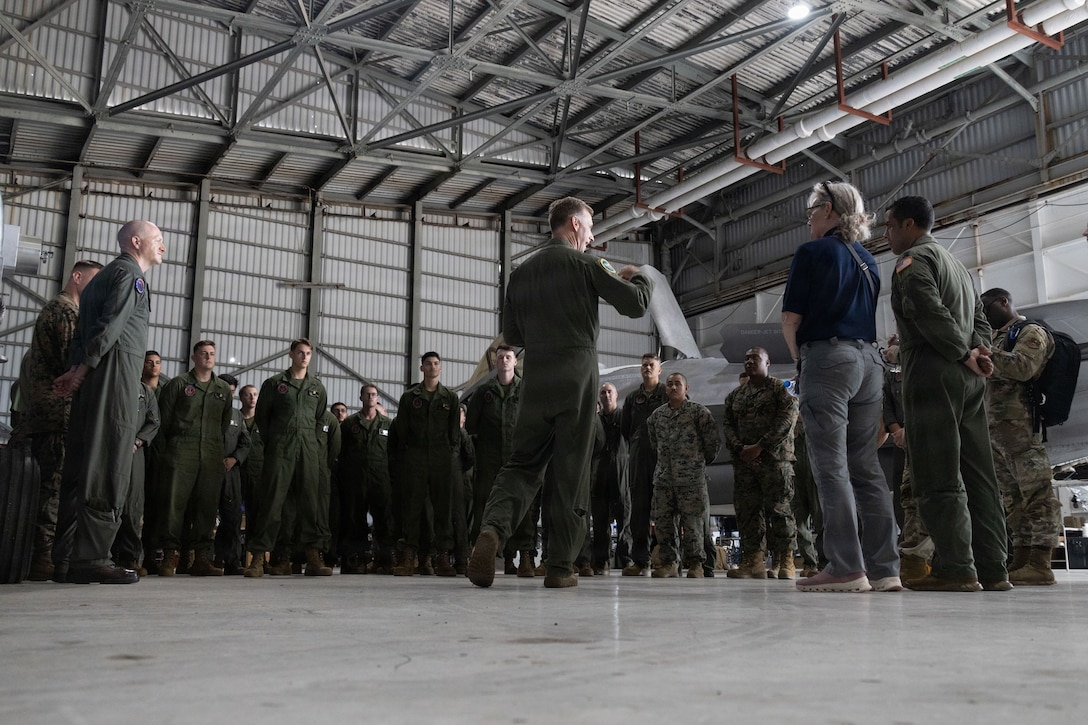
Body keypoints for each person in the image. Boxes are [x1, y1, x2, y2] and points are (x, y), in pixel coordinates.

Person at [467, 196, 653, 589]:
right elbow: (636, 305)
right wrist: (640, 276)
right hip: (576, 374)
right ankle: (560, 567)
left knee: (522, 464)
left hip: (535, 377)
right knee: (571, 470)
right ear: (572, 225)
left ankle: (492, 532)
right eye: (588, 227)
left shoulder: (522, 272)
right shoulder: (586, 263)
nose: (590, 236)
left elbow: (513, 336)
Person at [885, 195, 1009, 592]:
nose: (886, 235)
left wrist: (961, 352)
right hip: (970, 380)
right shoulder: (959, 266)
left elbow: (926, 309)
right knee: (979, 474)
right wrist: (980, 354)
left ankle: (957, 568)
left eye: (889, 226)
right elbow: (980, 320)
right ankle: (994, 568)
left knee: (937, 472)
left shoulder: (913, 262)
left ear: (908, 225)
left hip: (933, 372)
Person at [781, 181, 899, 593]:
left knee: (830, 467)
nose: (809, 218)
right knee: (866, 468)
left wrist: (802, 363)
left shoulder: (812, 252)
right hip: (870, 362)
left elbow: (791, 320)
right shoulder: (870, 260)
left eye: (812, 210)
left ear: (828, 209)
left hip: (829, 359)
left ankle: (846, 566)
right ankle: (886, 569)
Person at [52, 220, 165, 584]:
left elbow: (86, 331)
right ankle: (93, 557)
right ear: (137, 242)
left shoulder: (101, 278)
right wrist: (82, 372)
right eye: (158, 240)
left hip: (95, 375)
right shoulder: (130, 276)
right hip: (113, 375)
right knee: (108, 461)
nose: (163, 246)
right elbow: (110, 327)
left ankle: (67, 557)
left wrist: (76, 371)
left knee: (83, 461)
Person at [14, 259, 103, 581]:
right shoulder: (66, 311)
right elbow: (73, 361)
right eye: (91, 282)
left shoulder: (55, 309)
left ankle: (44, 555)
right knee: (53, 490)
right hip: (57, 414)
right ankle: (45, 558)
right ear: (76, 277)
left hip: (48, 413)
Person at [980, 287, 1059, 586]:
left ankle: (1041, 562)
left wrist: (986, 355)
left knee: (1037, 494)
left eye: (988, 308)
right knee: (1013, 499)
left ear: (1004, 302)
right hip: (998, 432)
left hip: (1023, 429)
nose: (985, 316)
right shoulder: (999, 337)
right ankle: (1022, 559)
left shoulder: (1031, 332)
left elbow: (1025, 367)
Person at [244, 338, 330, 578]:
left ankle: (313, 557)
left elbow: (321, 419)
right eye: (300, 352)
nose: (304, 357)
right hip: (280, 450)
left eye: (308, 353)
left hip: (308, 451)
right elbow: (263, 416)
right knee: (272, 503)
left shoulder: (317, 388)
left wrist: (311, 443)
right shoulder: (275, 384)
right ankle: (259, 559)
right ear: (291, 355)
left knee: (309, 505)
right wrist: (277, 441)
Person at [154, 341, 234, 576]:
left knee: (207, 506)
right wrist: (168, 452)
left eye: (211, 354)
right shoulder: (179, 384)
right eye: (203, 354)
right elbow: (163, 422)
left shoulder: (221, 388)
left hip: (211, 452)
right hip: (181, 449)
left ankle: (201, 558)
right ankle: (170, 556)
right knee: (174, 504)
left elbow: (223, 424)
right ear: (194, 357)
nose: (208, 357)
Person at [721, 348, 798, 579]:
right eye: (746, 358)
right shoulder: (735, 396)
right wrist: (741, 449)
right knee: (747, 512)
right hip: (745, 463)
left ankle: (786, 560)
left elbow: (787, 419)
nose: (749, 361)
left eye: (755, 358)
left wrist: (760, 447)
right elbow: (727, 425)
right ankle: (753, 561)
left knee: (780, 510)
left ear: (767, 362)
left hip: (774, 460)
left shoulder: (779, 390)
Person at [465, 344, 539, 576]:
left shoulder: (526, 390)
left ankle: (524, 556)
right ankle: (484, 555)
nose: (505, 361)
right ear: (495, 362)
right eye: (500, 358)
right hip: (489, 461)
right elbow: (471, 426)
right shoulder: (483, 392)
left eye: (508, 357)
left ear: (515, 362)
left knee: (523, 506)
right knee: (486, 505)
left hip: (518, 458)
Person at [388, 351, 460, 576]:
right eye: (428, 364)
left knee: (442, 508)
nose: (432, 367)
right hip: (416, 456)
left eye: (436, 363)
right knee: (412, 507)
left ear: (441, 367)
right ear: (422, 368)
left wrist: (448, 455)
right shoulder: (410, 397)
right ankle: (408, 557)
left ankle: (442, 558)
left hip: (441, 457)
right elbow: (402, 430)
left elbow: (454, 434)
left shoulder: (450, 398)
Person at [645, 373, 721, 578]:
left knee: (694, 523)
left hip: (691, 479)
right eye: (669, 384)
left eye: (677, 384)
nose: (672, 387)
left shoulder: (699, 413)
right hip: (664, 479)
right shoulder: (656, 417)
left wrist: (696, 464)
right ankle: (669, 563)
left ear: (686, 388)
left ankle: (696, 564)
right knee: (663, 524)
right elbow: (654, 444)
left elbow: (712, 444)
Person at [337, 384, 396, 574]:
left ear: (377, 398)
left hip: (381, 479)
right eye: (367, 394)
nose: (370, 397)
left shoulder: (388, 424)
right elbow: (341, 452)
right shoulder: (349, 424)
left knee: (384, 520)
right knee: (355, 519)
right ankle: (356, 560)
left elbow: (394, 454)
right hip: (355, 479)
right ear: (361, 398)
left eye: (373, 394)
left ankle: (384, 560)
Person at [620, 353, 667, 576]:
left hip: (662, 459)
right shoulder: (632, 399)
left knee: (665, 511)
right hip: (639, 459)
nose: (647, 368)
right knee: (639, 510)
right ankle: (640, 560)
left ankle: (666, 560)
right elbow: (626, 428)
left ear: (659, 370)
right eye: (644, 365)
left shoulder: (667, 394)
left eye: (651, 365)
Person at [110, 380, 161, 576]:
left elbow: (154, 420)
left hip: (134, 452)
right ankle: (103, 555)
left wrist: (139, 440)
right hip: (110, 448)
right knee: (107, 500)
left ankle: (129, 557)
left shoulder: (145, 392)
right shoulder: (112, 382)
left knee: (132, 505)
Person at [213, 373, 251, 575]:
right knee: (202, 516)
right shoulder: (207, 410)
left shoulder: (237, 416)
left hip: (230, 472)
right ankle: (199, 558)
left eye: (232, 393)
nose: (229, 396)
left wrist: (235, 458)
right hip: (207, 471)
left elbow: (245, 442)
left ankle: (232, 560)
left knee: (232, 518)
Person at [592, 382, 629, 574]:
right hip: (599, 472)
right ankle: (601, 561)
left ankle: (627, 561)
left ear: (616, 395)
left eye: (609, 392)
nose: (606, 395)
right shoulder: (595, 420)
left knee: (625, 516)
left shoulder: (624, 418)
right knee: (599, 519)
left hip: (621, 470)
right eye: (603, 392)